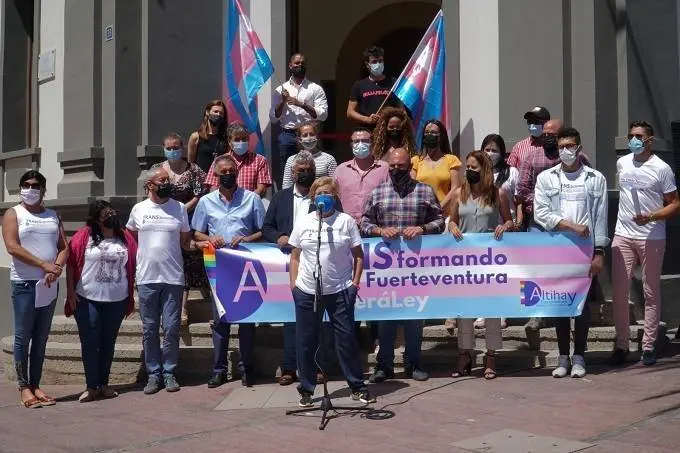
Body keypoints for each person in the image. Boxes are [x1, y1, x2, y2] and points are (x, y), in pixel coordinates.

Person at [289, 177, 375, 407]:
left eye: (328, 193)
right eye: (319, 193)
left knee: (346, 339)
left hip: (339, 290)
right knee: (306, 340)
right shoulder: (304, 222)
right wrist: (294, 286)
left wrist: (354, 285)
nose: (323, 197)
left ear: (335, 197)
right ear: (313, 197)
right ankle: (306, 388)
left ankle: (357, 386)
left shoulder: (345, 221)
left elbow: (358, 256)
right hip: (308, 290)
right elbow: (295, 256)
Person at [360, 148, 445, 383]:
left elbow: (440, 221)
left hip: (415, 270)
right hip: (386, 271)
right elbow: (364, 222)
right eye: (393, 166)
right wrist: (378, 230)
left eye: (402, 166)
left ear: (411, 166)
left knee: (414, 320)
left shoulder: (424, 191)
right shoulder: (378, 192)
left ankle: (413, 364)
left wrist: (422, 228)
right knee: (385, 319)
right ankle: (384, 366)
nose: (397, 170)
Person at [534, 127, 609, 378]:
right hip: (557, 248)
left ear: (579, 147)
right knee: (560, 304)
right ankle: (563, 356)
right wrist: (570, 225)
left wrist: (599, 252)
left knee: (582, 304)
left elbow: (599, 218)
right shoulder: (547, 178)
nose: (567, 150)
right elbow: (540, 213)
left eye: (571, 145)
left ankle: (580, 356)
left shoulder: (595, 178)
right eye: (562, 145)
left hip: (584, 250)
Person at [610, 121, 680, 366]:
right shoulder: (623, 163)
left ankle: (648, 345)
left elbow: (674, 203)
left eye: (638, 136)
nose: (633, 140)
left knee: (650, 291)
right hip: (623, 234)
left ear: (649, 140)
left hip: (652, 235)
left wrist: (651, 216)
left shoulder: (662, 168)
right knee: (619, 291)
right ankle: (621, 344)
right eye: (631, 136)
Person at [192, 155, 266, 387]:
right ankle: (219, 369)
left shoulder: (252, 199)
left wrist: (246, 238)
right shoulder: (206, 202)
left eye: (231, 171)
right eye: (223, 171)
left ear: (237, 173)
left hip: (245, 268)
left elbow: (263, 232)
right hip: (219, 270)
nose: (227, 175)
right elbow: (196, 233)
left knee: (246, 321)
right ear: (215, 174)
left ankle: (247, 368)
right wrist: (210, 238)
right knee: (220, 320)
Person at [126, 167, 198, 395]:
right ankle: (153, 375)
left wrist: (203, 246)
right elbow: (131, 239)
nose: (167, 183)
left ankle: (169, 372)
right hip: (147, 277)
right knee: (149, 329)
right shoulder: (139, 209)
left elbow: (186, 242)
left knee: (172, 327)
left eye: (168, 179)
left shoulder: (178, 208)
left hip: (173, 277)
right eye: (162, 180)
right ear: (150, 185)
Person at [2, 170, 68, 408]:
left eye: (35, 185)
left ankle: (36, 384)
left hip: (49, 284)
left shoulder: (52, 215)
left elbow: (64, 246)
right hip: (24, 283)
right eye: (26, 184)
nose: (30, 189)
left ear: (43, 190)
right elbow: (12, 246)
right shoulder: (13, 213)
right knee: (23, 337)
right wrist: (43, 265)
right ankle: (23, 387)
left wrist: (57, 267)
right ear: (21, 188)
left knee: (41, 337)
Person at [447, 151, 514, 379]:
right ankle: (464, 354)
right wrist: (452, 227)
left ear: (484, 169)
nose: (469, 171)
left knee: (492, 310)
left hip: (490, 261)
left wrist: (505, 226)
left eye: (474, 167)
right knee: (464, 310)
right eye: (468, 167)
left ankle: (490, 356)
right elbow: (452, 222)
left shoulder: (498, 193)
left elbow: (509, 220)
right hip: (464, 261)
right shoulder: (459, 193)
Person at [65, 200, 138, 402]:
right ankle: (91, 386)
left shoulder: (125, 237)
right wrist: (70, 292)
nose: (111, 216)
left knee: (108, 342)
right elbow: (71, 263)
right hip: (88, 298)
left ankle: (104, 384)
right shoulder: (84, 236)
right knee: (90, 342)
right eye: (106, 214)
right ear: (97, 219)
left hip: (117, 299)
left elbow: (132, 263)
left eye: (113, 212)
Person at [262, 151, 316, 385]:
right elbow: (267, 227)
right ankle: (290, 367)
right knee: (291, 319)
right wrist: (279, 237)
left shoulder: (323, 196)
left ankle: (315, 367)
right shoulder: (281, 198)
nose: (304, 173)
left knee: (315, 319)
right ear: (292, 173)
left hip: (316, 263)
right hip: (287, 264)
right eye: (300, 170)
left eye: (308, 170)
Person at [152, 133, 209, 326]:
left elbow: (201, 193)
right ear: (163, 148)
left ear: (182, 148)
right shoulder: (157, 170)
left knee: (186, 261)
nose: (172, 151)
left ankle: (183, 309)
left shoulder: (193, 170)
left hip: (189, 220)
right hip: (163, 222)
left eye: (176, 147)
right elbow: (150, 194)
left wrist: (183, 209)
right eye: (169, 148)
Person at [472, 134, 522, 330]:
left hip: (505, 229)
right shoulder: (477, 172)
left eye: (494, 150)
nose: (490, 153)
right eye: (487, 149)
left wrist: (518, 222)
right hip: (482, 231)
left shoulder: (512, 173)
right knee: (483, 275)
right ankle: (482, 313)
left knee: (502, 275)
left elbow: (518, 201)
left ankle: (501, 313)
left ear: (502, 153)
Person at [270, 53, 329, 175]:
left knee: (311, 169)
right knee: (288, 171)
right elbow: (273, 118)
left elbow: (323, 115)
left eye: (303, 63)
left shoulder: (315, 88)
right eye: (297, 63)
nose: (300, 65)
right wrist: (283, 101)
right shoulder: (280, 89)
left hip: (309, 135)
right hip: (288, 135)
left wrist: (301, 104)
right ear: (290, 66)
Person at [334, 127, 390, 223]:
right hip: (347, 226)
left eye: (365, 141)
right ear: (351, 145)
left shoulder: (385, 168)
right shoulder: (340, 170)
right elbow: (334, 197)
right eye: (356, 141)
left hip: (376, 226)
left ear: (372, 143)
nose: (360, 144)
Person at [203, 122, 272, 197]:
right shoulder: (219, 161)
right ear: (229, 142)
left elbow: (261, 189)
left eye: (244, 139)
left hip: (249, 206)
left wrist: (246, 202)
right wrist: (221, 201)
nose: (241, 142)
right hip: (224, 206)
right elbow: (213, 186)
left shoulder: (259, 160)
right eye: (237, 140)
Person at [411, 120, 462, 216]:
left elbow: (456, 188)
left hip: (445, 215)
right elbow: (412, 188)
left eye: (433, 132)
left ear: (441, 136)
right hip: (421, 214)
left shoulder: (451, 160)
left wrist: (439, 208)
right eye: (427, 132)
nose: (429, 135)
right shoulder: (416, 161)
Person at [347, 45, 401, 128]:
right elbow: (350, 112)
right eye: (374, 62)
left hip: (389, 132)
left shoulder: (394, 82)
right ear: (367, 64)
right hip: (367, 132)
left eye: (380, 61)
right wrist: (367, 119)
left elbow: (401, 109)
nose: (378, 64)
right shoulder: (359, 85)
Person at [281, 121, 337, 190]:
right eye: (305, 135)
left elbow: (333, 184)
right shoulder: (291, 159)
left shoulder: (329, 159)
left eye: (312, 134)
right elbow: (287, 185)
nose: (309, 138)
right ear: (299, 139)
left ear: (317, 136)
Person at [188, 100, 228, 173]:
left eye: (221, 113)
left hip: (219, 179)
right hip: (201, 179)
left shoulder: (226, 137)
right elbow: (191, 162)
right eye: (215, 111)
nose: (218, 114)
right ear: (207, 112)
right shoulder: (196, 136)